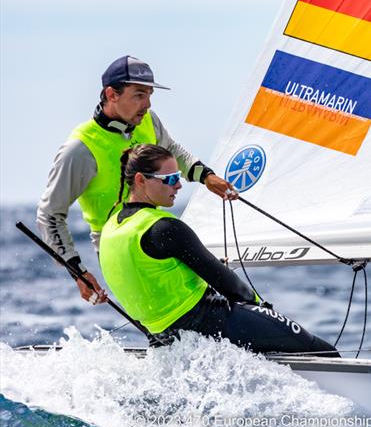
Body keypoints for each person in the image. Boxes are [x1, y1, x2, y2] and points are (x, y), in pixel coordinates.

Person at [98, 144, 339, 357]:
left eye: (179, 176)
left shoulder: (109, 229)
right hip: (210, 322)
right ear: (141, 180)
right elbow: (228, 284)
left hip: (163, 337)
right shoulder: (163, 227)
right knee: (325, 351)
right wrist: (262, 309)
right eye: (170, 179)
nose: (180, 184)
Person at [37, 55, 235, 305]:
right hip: (117, 247)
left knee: (214, 298)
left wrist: (206, 176)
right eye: (139, 95)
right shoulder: (79, 150)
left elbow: (172, 149)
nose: (148, 104)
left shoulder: (148, 121)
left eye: (150, 95)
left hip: (156, 234)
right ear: (112, 94)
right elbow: (50, 215)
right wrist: (78, 271)